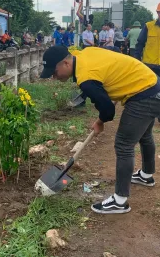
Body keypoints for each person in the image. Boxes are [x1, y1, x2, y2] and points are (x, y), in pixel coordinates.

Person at [40, 45, 160, 215]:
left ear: (66, 63)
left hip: (144, 93)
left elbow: (108, 110)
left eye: (54, 72)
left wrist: (100, 121)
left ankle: (120, 201)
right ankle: (146, 175)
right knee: (145, 134)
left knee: (124, 144)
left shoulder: (86, 78)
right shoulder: (84, 54)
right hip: (152, 83)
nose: (53, 77)